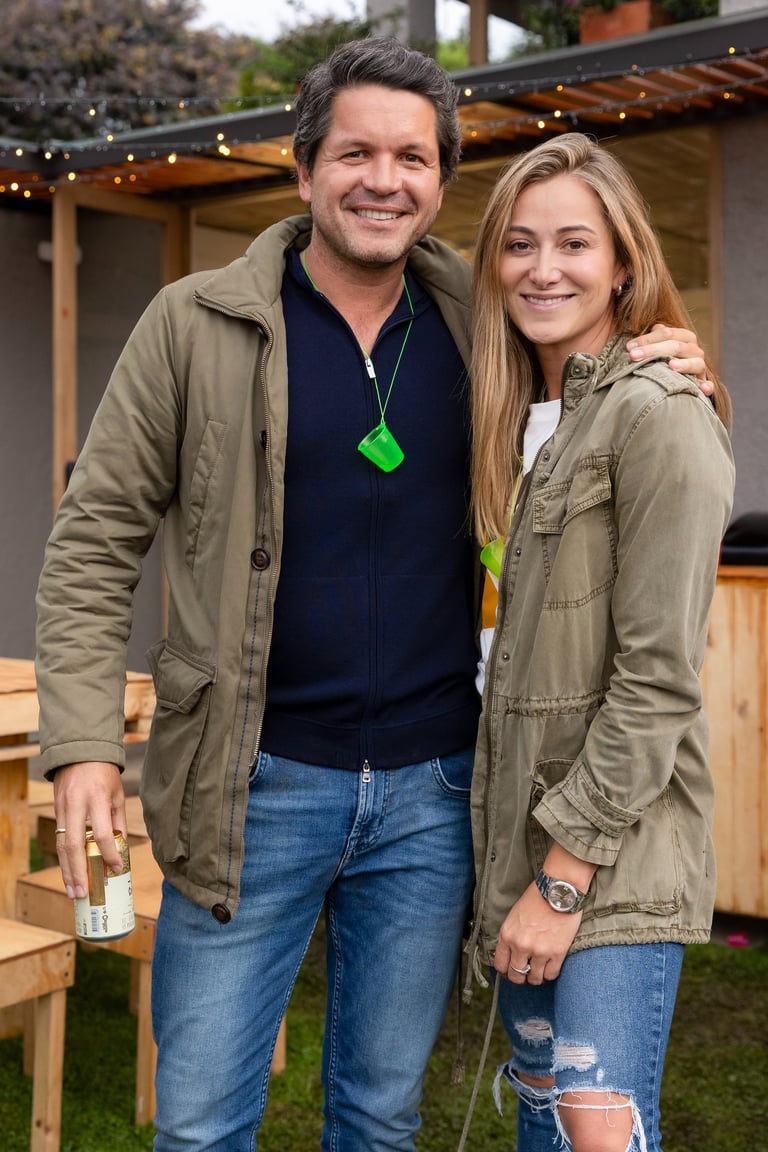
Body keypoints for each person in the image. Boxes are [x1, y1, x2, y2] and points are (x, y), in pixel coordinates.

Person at [35, 38, 711, 1152]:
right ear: (305, 168)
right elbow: (94, 541)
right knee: (198, 1126)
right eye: (355, 152)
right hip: (249, 786)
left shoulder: (483, 323)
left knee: (379, 1119)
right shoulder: (193, 325)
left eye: (412, 158)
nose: (382, 180)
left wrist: (657, 356)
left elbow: (593, 375)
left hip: (435, 795)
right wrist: (83, 747)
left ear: (440, 183)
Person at [463, 132, 734, 1152]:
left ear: (624, 263)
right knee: (544, 1108)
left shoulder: (659, 411)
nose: (544, 269)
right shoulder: (505, 421)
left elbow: (657, 679)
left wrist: (563, 878)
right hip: (517, 825)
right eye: (519, 244)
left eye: (575, 243)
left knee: (594, 1119)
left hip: (610, 843)